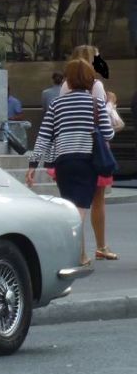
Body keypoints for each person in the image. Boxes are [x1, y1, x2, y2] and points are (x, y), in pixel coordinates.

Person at [26, 59, 114, 266]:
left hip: (63, 162)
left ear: (69, 79)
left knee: (71, 206)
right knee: (79, 210)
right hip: (86, 161)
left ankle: (81, 255)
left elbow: (44, 136)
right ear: (90, 78)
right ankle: (66, 247)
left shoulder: (56, 104)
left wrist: (33, 165)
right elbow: (108, 133)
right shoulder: (96, 103)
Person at [59, 45, 117, 261]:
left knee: (75, 202)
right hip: (94, 151)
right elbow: (102, 121)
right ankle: (100, 246)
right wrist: (111, 104)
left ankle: (80, 250)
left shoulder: (64, 86)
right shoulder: (97, 86)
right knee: (97, 200)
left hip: (68, 149)